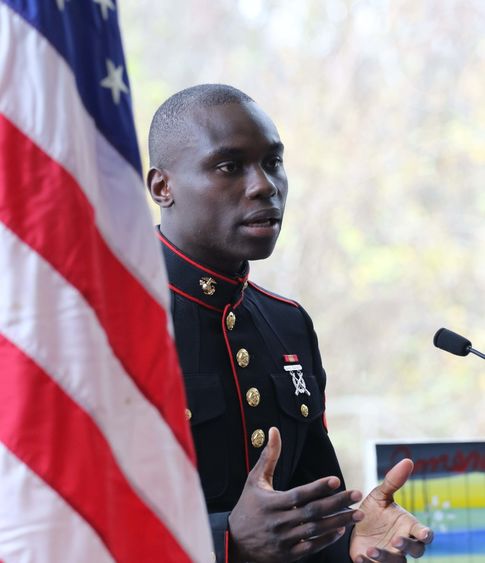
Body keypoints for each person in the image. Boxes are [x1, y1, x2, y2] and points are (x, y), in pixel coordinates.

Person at [147, 84, 433, 563]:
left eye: (273, 162)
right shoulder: (103, 326)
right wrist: (227, 541)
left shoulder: (288, 323)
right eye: (229, 166)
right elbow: (51, 517)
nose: (264, 185)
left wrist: (351, 542)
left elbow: (306, 519)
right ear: (163, 187)